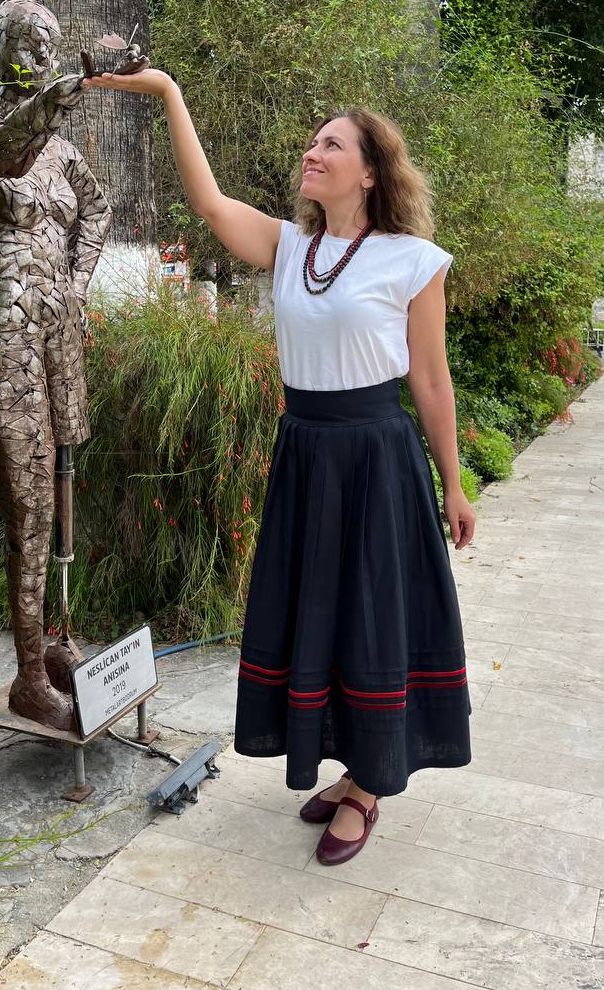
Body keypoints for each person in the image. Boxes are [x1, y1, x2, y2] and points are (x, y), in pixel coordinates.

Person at [86, 67, 475, 867]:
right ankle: (349, 767)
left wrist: (454, 481)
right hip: (305, 452)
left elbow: (431, 383)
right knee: (317, 613)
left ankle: (368, 787)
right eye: (312, 141)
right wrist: (167, 93)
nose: (313, 151)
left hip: (375, 458)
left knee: (369, 614)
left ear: (370, 170)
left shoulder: (414, 260)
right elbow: (209, 204)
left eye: (331, 144)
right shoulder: (291, 244)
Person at [0, 0, 112, 731]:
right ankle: (24, 674)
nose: (37, 52)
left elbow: (97, 211)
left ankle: (55, 642)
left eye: (47, 43)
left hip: (55, 329)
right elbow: (5, 152)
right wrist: (66, 91)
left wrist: (76, 282)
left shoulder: (67, 153)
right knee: (28, 499)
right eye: (23, 40)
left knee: (65, 480)